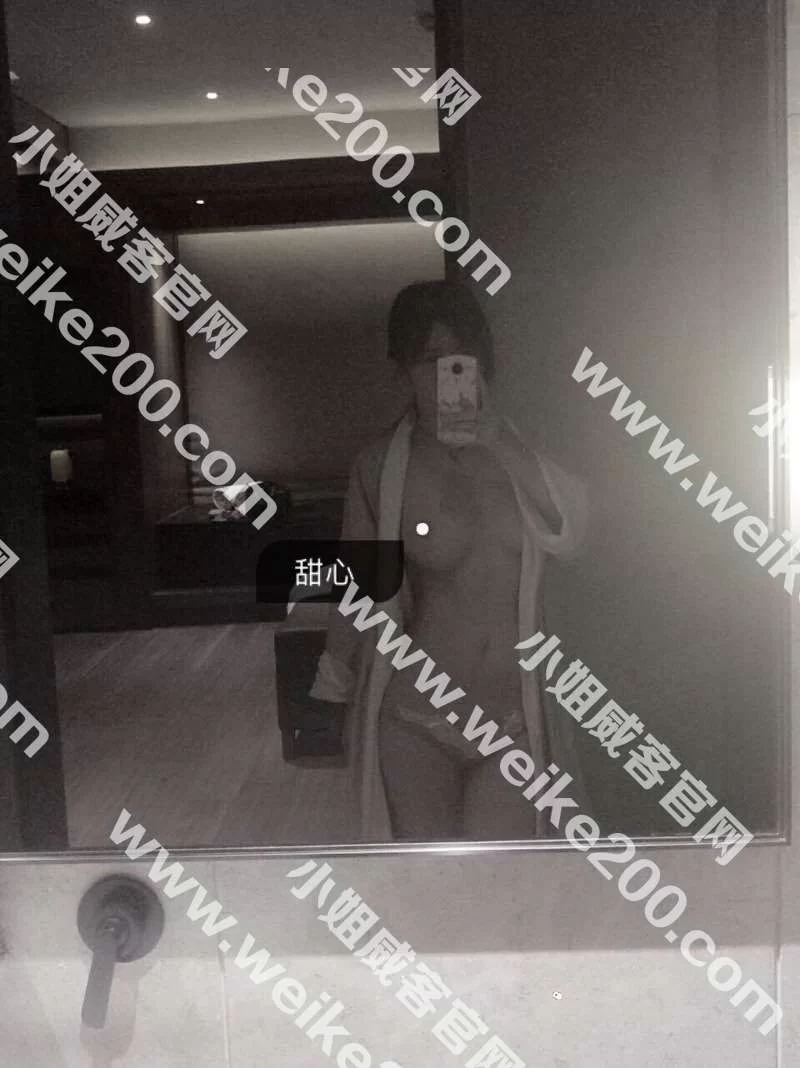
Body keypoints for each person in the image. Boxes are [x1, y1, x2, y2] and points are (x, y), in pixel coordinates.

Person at [308, 280, 589, 841]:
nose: (444, 374)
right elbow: (359, 592)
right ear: (402, 369)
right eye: (428, 360)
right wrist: (330, 693)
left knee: (497, 879)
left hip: (513, 715)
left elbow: (574, 531)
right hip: (416, 714)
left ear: (481, 362)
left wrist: (499, 442)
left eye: (459, 357)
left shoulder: (526, 450)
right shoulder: (381, 467)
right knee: (429, 884)